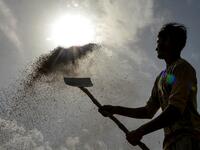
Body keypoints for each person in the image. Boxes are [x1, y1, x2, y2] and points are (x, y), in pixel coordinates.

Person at [98, 23, 200, 150]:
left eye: (163, 40)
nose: (158, 46)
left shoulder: (182, 68)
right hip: (170, 143)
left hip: (189, 138)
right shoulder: (161, 78)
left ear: (176, 44)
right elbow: (147, 111)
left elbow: (175, 111)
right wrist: (115, 109)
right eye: (158, 41)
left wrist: (140, 131)